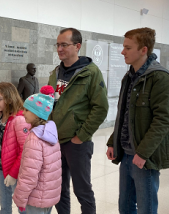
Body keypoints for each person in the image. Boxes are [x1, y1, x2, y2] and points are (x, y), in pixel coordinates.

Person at [106, 27, 169, 214]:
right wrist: (112, 141)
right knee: (125, 206)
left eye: (128, 48)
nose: (123, 51)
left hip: (144, 156)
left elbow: (163, 120)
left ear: (144, 50)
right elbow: (125, 115)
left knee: (146, 208)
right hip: (126, 154)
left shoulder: (160, 78)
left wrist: (143, 153)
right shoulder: (128, 77)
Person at [48, 28, 109, 214]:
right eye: (58, 44)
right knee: (58, 189)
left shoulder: (90, 73)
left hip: (77, 143)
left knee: (82, 190)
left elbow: (101, 108)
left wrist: (81, 136)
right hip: (55, 141)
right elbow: (50, 103)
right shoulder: (55, 72)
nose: (59, 49)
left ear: (78, 46)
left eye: (64, 45)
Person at [13, 85, 62, 214]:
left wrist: (20, 198)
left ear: (37, 113)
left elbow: (29, 175)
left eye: (27, 110)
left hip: (35, 198)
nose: (23, 112)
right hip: (48, 196)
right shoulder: (51, 133)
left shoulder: (34, 139)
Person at [0, 82, 30, 214]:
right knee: (4, 204)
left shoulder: (20, 119)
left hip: (16, 170)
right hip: (1, 167)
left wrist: (13, 173)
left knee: (21, 206)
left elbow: (25, 150)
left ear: (10, 98)